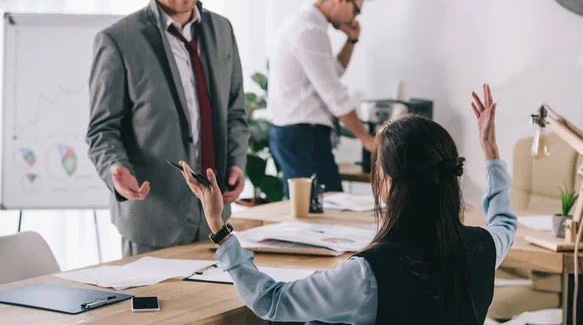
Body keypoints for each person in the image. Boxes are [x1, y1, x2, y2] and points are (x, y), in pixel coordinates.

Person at [180, 84, 517, 324]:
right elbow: (504, 222)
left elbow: (272, 301)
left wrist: (220, 230)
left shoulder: (366, 274)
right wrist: (490, 149)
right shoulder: (484, 248)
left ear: (390, 184)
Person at [86, 0, 248, 257]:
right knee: (158, 312)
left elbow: (235, 113)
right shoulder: (118, 40)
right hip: (153, 221)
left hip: (215, 222)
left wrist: (237, 162)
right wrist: (114, 167)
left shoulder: (222, 30)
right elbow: (102, 129)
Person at [267, 0, 376, 197]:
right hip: (302, 134)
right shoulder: (309, 30)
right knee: (319, 212)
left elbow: (332, 73)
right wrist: (367, 139)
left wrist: (351, 40)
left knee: (323, 207)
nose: (354, 17)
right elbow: (334, 93)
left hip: (299, 133)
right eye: (355, 10)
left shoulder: (305, 26)